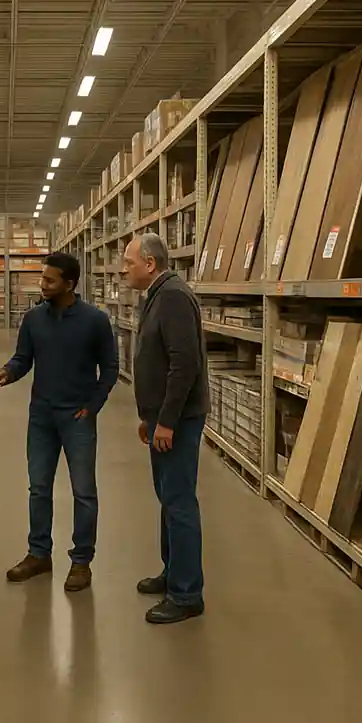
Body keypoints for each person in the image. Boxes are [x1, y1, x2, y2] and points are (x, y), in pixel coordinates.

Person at [0, 251, 119, 592]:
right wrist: (6, 373)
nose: (42, 284)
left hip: (77, 416)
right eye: (42, 278)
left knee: (83, 491)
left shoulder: (95, 321)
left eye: (49, 280)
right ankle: (39, 554)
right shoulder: (34, 319)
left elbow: (110, 369)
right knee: (39, 488)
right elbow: (23, 359)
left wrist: (92, 407)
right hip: (42, 416)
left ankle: (81, 562)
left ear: (70, 283)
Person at [123, 233, 210, 624]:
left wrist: (168, 421)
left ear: (150, 264)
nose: (124, 269)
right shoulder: (158, 294)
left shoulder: (173, 296)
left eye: (128, 263)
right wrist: (150, 417)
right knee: (168, 498)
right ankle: (173, 572)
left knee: (178, 502)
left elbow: (184, 363)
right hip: (161, 419)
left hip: (178, 420)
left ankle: (187, 593)